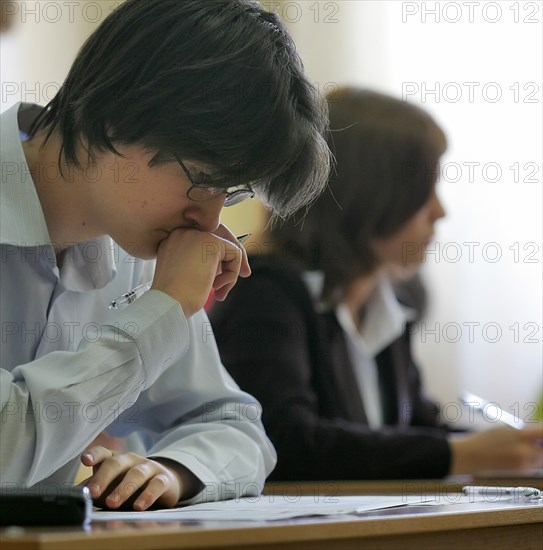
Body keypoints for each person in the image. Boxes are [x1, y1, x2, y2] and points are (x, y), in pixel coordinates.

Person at [0, 0, 331, 509]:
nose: (210, 217)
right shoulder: (155, 264)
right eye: (202, 179)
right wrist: (164, 310)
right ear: (115, 112)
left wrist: (171, 471)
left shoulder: (139, 238)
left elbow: (233, 427)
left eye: (231, 189)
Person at [210, 88, 543, 480]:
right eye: (424, 190)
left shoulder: (389, 303)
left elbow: (419, 431)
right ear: (367, 195)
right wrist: (460, 455)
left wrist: (516, 452)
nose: (440, 211)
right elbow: (284, 441)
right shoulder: (267, 294)